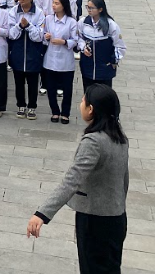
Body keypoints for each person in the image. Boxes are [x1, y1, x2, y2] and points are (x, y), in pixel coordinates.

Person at [27, 84, 129, 274]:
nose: (80, 104)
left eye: (83, 101)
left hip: (95, 220)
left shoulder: (94, 142)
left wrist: (42, 214)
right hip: (117, 217)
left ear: (91, 109)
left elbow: (72, 180)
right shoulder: (119, 137)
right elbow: (124, 180)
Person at [8, 0, 45, 120]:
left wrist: (28, 26)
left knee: (33, 83)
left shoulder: (39, 13)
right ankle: (21, 105)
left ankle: (32, 106)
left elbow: (39, 36)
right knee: (18, 82)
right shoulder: (13, 11)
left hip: (33, 53)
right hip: (17, 52)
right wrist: (19, 26)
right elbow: (11, 34)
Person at [42, 0, 79, 124]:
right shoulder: (48, 19)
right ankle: (55, 111)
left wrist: (64, 42)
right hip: (50, 58)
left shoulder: (71, 22)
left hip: (65, 60)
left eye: (57, 3)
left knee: (67, 89)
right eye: (53, 3)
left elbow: (75, 40)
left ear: (64, 6)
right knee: (51, 88)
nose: (53, 6)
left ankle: (65, 113)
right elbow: (43, 35)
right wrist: (46, 37)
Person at [79, 0, 126, 91]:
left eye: (91, 8)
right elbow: (79, 38)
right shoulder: (83, 22)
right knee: (88, 93)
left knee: (104, 94)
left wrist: (113, 61)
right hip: (87, 66)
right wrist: (83, 47)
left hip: (105, 68)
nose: (89, 10)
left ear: (100, 9)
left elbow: (120, 45)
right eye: (87, 7)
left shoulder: (111, 25)